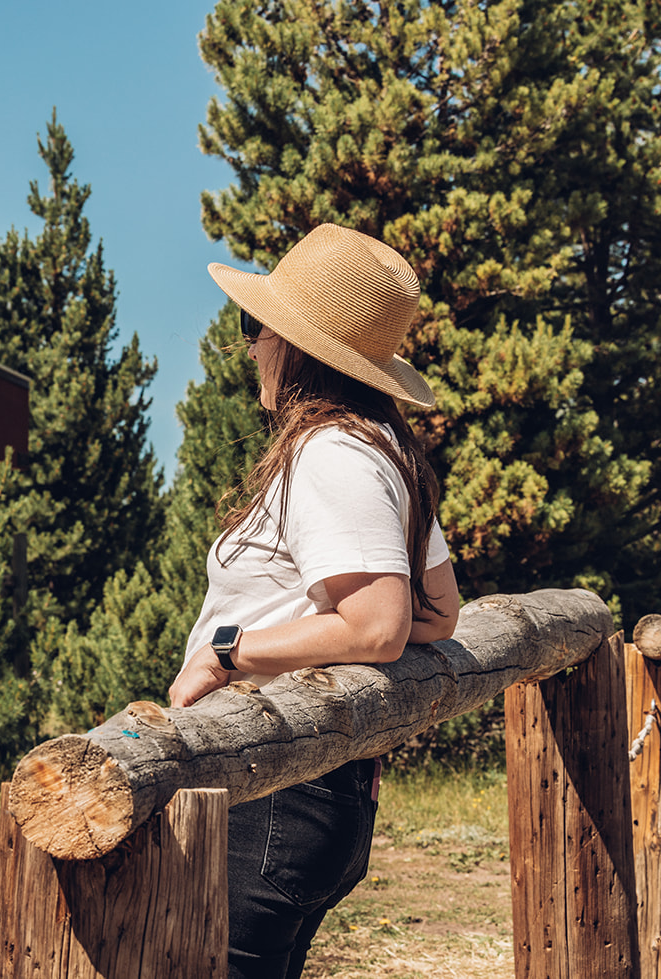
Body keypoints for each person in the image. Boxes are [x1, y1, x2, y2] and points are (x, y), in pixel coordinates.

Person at [168, 223, 461, 979]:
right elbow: (443, 610)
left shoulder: (330, 454)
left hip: (273, 791)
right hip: (324, 792)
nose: (250, 344)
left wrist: (228, 652)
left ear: (296, 345)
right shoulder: (384, 450)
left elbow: (381, 622)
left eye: (256, 327)